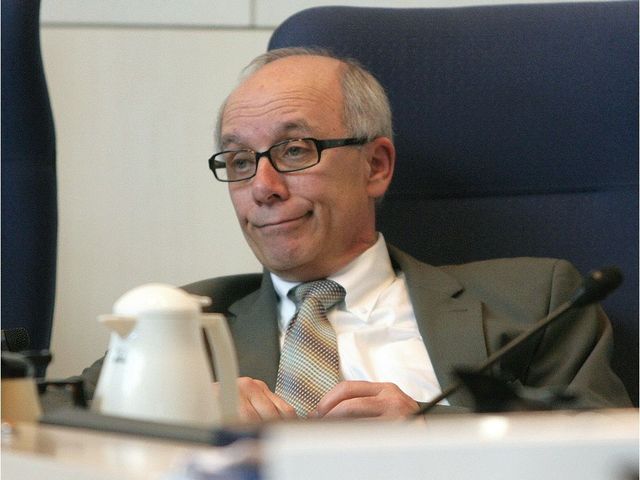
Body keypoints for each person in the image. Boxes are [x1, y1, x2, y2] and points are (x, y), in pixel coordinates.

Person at [77, 47, 631, 422]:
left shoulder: (538, 301)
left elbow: (606, 457)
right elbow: (57, 434)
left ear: (376, 166)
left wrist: (436, 437)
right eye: (240, 160)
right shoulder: (179, 324)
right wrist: (187, 418)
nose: (262, 187)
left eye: (294, 150)